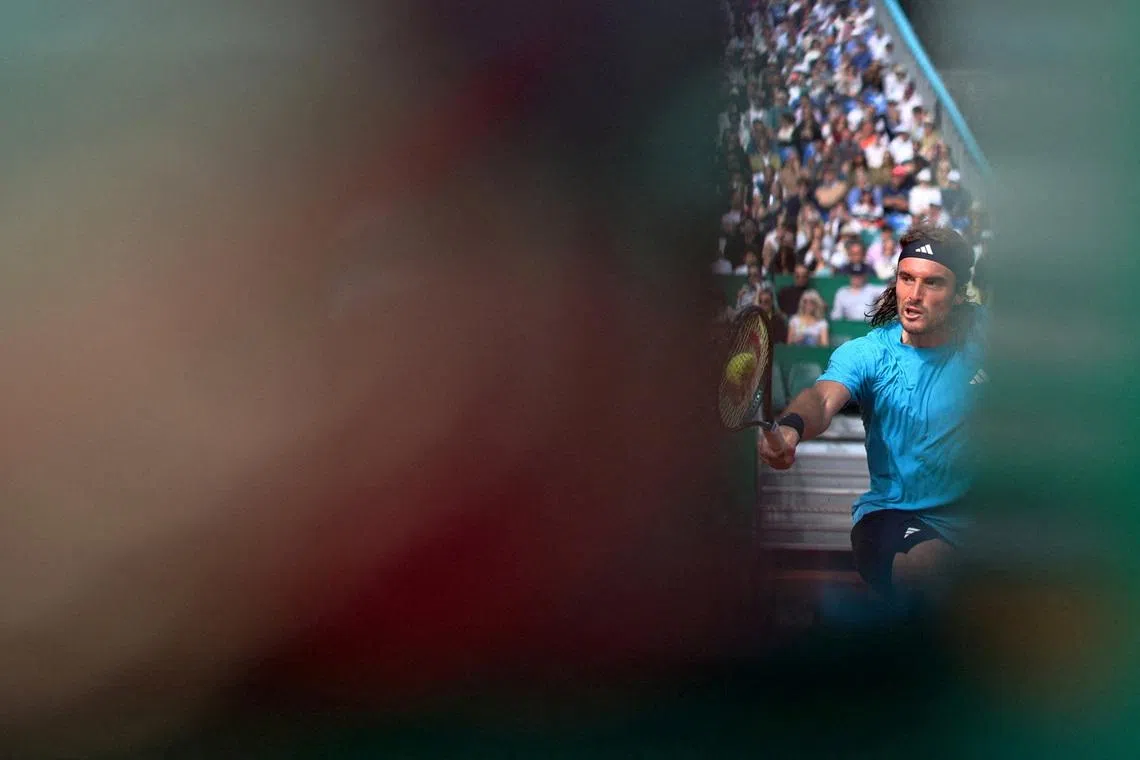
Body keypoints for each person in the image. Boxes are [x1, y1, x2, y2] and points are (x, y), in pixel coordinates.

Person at [759, 223, 984, 602]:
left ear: (959, 294)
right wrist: (792, 427)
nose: (914, 295)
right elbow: (821, 398)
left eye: (932, 283)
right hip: (896, 518)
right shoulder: (868, 353)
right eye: (906, 278)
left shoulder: (984, 335)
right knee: (934, 574)